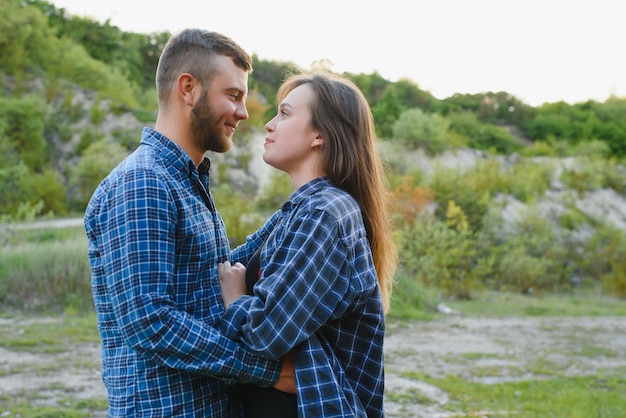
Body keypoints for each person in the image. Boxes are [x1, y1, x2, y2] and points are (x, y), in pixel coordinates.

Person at [84, 28, 294, 417]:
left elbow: (208, 277)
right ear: (188, 89)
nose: (244, 113)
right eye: (233, 95)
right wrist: (266, 371)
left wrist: (296, 207)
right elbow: (150, 321)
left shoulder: (185, 178)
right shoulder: (143, 181)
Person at [218, 71, 398, 417]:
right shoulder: (299, 211)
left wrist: (235, 298)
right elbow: (226, 262)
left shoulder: (326, 214)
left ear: (320, 135)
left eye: (284, 114)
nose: (269, 125)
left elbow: (265, 335)